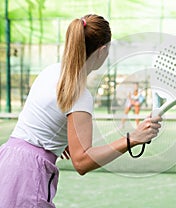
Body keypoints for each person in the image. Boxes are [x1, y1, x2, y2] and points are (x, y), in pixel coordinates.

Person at [0, 14, 162, 207]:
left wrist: (64, 137)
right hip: (29, 174)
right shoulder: (80, 94)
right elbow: (82, 161)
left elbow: (45, 117)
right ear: (102, 51)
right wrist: (133, 139)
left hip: (7, 160)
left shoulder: (50, 71)